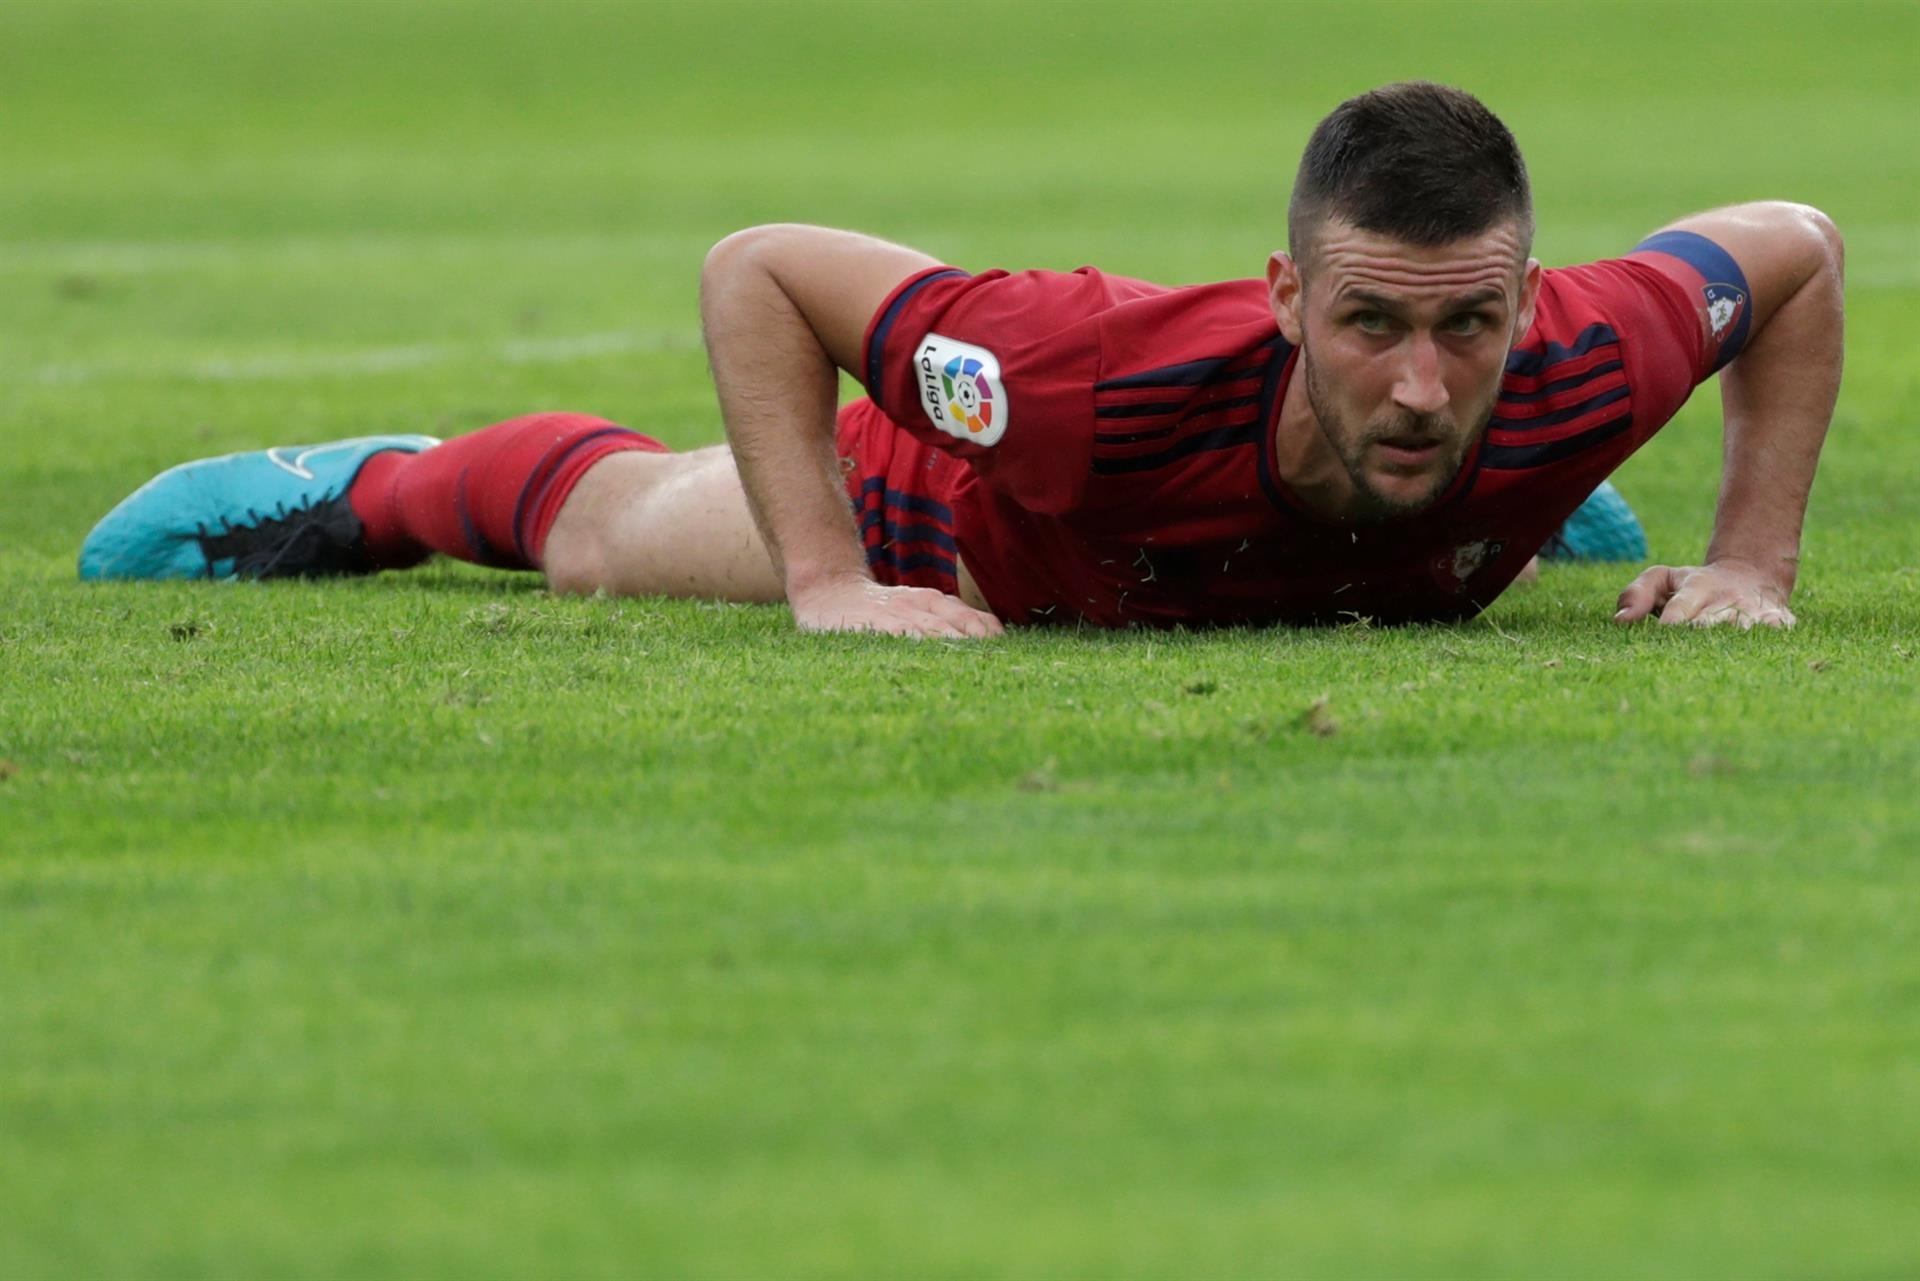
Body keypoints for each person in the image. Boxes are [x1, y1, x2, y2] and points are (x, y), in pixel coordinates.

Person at [79, 82, 1842, 637]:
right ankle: (362, 484)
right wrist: (834, 582)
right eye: (1370, 322)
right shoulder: (1079, 376)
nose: (1421, 373)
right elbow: (760, 268)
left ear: (1528, 311)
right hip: (967, 520)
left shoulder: (1589, 350)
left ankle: (1521, 517)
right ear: (1288, 301)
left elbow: (1799, 246)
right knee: (615, 542)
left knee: (1468, 461)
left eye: (1469, 328)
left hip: (1422, 510)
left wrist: (1752, 564)